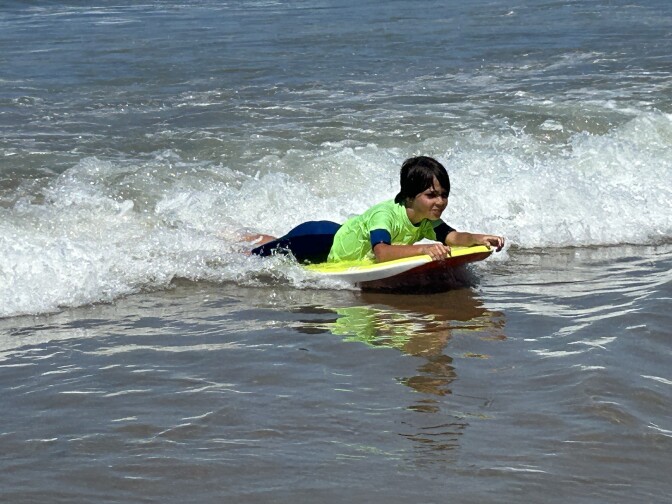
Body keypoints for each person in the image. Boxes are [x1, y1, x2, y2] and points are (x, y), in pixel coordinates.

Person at [251, 156, 504, 264]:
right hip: (318, 242)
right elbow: (382, 253)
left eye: (444, 195)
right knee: (256, 256)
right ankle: (241, 241)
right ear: (408, 197)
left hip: (339, 234)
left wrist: (478, 238)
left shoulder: (427, 218)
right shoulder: (386, 215)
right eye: (431, 195)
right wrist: (424, 249)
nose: (440, 202)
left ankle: (257, 236)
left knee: (274, 242)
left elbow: (453, 237)